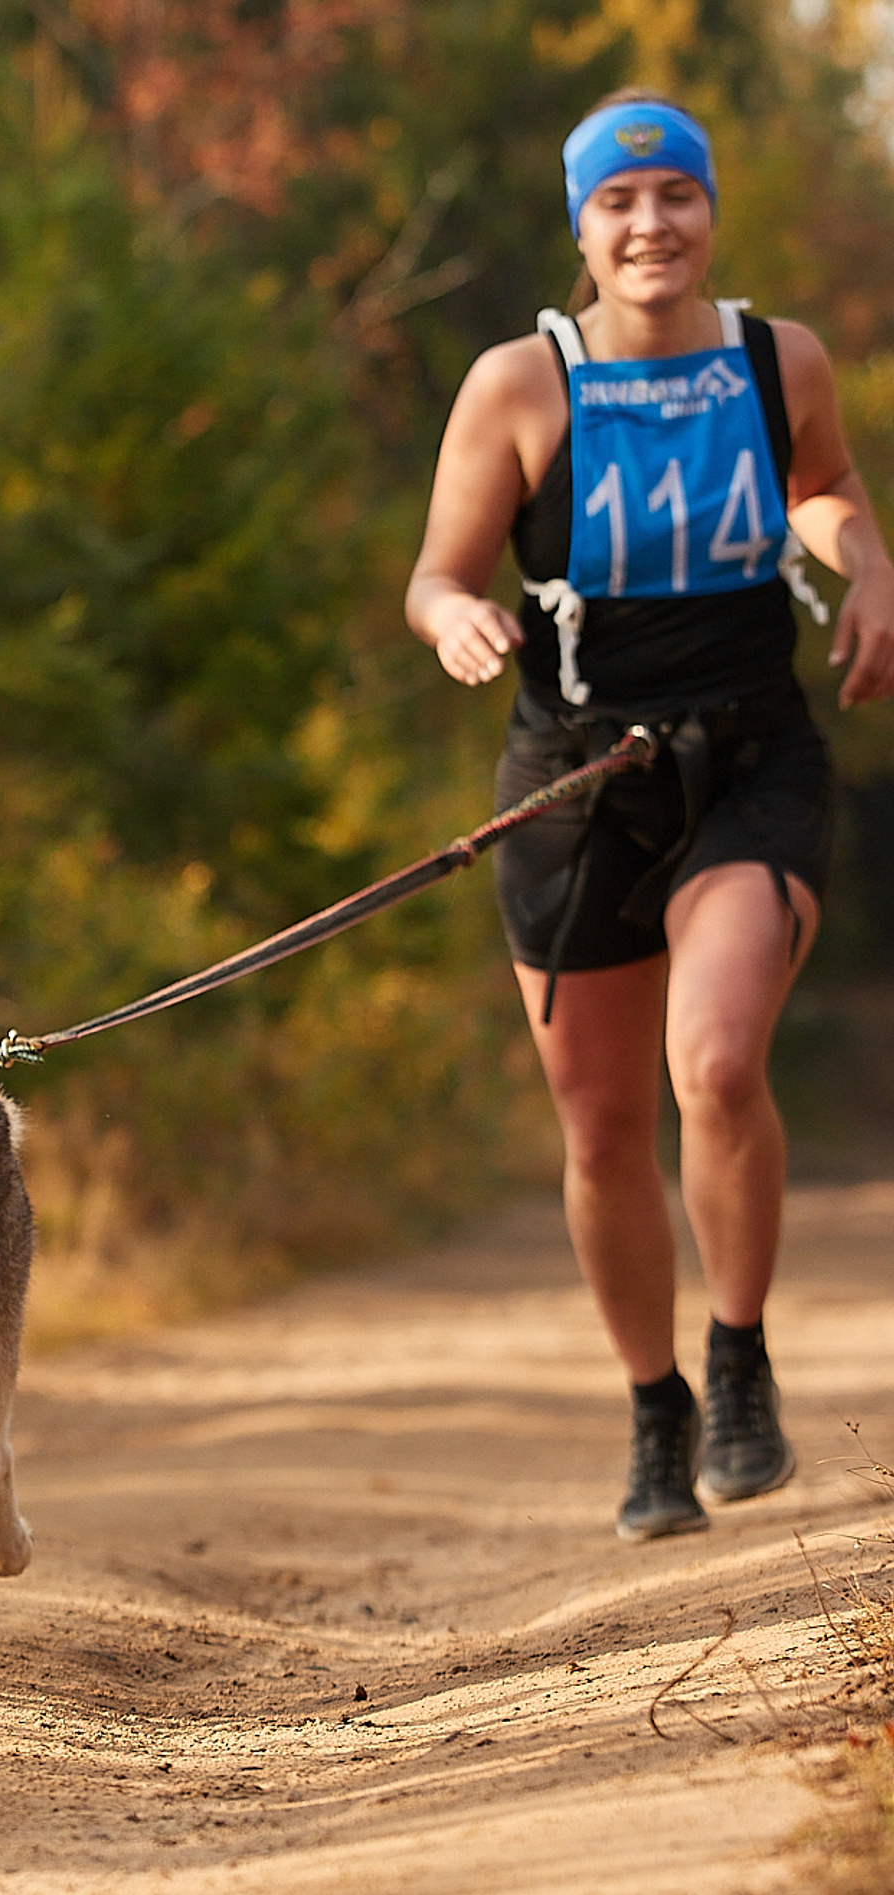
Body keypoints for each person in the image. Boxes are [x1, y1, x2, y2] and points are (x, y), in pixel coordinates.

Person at [404, 92, 894, 1540]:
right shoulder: (520, 387)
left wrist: (868, 565)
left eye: (675, 196)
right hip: (577, 783)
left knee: (719, 1063)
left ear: (709, 211)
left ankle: (738, 1363)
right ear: (582, 228)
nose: (650, 226)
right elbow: (435, 574)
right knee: (605, 1126)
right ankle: (655, 1405)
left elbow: (825, 488)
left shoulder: (774, 358)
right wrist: (458, 626)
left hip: (752, 757)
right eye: (618, 206)